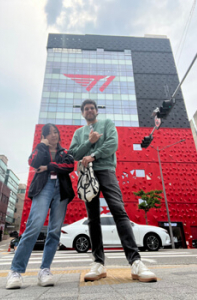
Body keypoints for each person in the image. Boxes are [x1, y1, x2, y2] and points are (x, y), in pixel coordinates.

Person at [70, 99, 157, 283]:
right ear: (82, 113)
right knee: (92, 218)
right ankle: (98, 263)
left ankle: (135, 262)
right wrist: (88, 142)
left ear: (96, 111)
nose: (89, 110)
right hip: (87, 176)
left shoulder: (107, 123)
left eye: (92, 108)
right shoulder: (79, 133)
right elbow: (74, 154)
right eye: (86, 109)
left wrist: (93, 155)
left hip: (106, 170)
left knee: (119, 211)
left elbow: (112, 144)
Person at [6, 123, 74, 289]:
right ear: (44, 136)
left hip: (61, 190)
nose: (54, 135)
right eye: (50, 133)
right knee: (34, 226)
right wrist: (41, 146)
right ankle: (15, 271)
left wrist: (49, 167)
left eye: (55, 132)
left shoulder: (64, 152)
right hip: (44, 187)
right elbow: (33, 161)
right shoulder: (41, 148)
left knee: (54, 231)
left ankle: (45, 270)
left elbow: (69, 166)